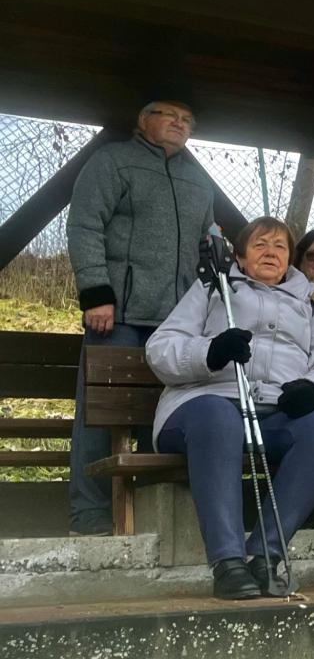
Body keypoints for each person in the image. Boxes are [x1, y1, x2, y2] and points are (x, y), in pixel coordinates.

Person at [146, 217, 314, 599]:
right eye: (260, 244)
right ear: (240, 256)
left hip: (274, 412)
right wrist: (210, 352)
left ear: (290, 258)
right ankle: (228, 563)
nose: (271, 252)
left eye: (280, 246)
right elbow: (160, 349)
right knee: (220, 417)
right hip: (203, 406)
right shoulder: (214, 287)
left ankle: (265, 556)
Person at [66, 99, 215, 537]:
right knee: (101, 415)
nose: (179, 123)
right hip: (118, 316)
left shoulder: (199, 180)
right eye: (170, 115)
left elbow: (208, 244)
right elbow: (85, 225)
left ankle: (156, 518)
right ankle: (89, 517)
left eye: (187, 120)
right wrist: (97, 294)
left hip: (178, 323)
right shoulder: (112, 162)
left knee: (166, 414)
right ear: (143, 120)